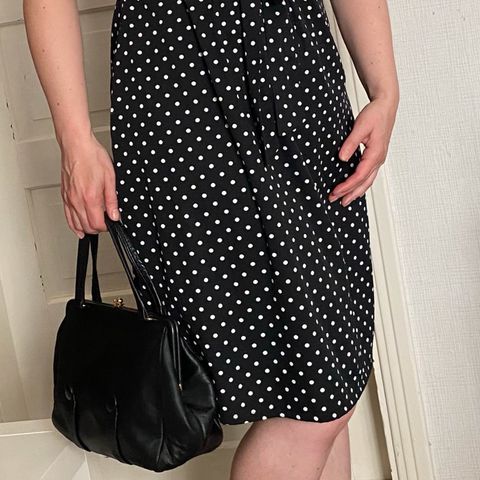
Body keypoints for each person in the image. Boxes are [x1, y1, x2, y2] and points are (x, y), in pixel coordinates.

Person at [23, 0, 399, 477]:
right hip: (189, 105)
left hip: (303, 94)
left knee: (331, 381)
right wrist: (75, 141)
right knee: (314, 403)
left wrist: (385, 90)